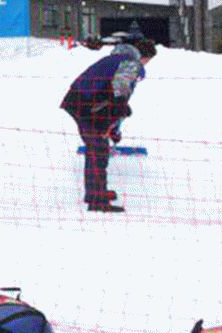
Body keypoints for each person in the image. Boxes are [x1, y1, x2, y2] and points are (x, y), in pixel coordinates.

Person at [61, 38, 156, 213]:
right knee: (98, 151)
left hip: (81, 103)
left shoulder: (116, 59)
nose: (146, 64)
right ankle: (97, 200)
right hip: (87, 106)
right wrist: (113, 122)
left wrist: (112, 126)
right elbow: (119, 95)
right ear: (144, 56)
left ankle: (95, 193)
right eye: (148, 60)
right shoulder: (130, 63)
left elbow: (113, 97)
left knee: (96, 148)